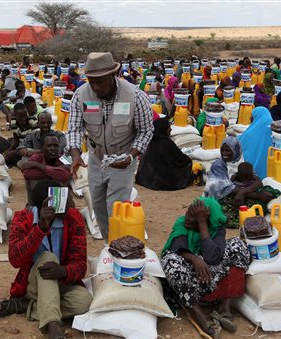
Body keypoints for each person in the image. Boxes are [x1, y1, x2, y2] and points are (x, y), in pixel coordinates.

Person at [0, 180, 91, 339]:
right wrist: (40, 228)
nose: (69, 204)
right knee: (48, 258)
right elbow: (15, 259)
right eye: (63, 200)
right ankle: (54, 331)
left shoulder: (73, 218)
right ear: (44, 205)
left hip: (60, 281)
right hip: (32, 284)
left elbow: (80, 264)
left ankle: (25, 305)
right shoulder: (22, 218)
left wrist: (63, 271)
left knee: (84, 301)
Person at [67, 52, 154, 240]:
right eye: (92, 82)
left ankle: (119, 248)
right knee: (98, 207)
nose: (96, 87)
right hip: (96, 159)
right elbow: (74, 128)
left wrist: (130, 156)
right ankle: (111, 244)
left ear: (113, 76)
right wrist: (75, 155)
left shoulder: (135, 97)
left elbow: (146, 131)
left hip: (123, 158)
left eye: (101, 82)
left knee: (115, 208)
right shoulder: (81, 95)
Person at [160, 197, 251, 339]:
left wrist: (202, 224)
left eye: (192, 216)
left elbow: (212, 258)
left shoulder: (217, 229)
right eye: (188, 213)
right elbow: (177, 247)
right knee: (170, 259)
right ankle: (202, 318)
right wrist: (195, 259)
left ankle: (225, 309)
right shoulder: (181, 223)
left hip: (213, 285)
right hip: (190, 291)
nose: (187, 218)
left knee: (238, 246)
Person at [204, 136, 279, 228]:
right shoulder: (218, 165)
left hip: (241, 194)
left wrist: (243, 192)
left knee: (268, 192)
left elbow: (258, 181)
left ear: (236, 150)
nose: (224, 153)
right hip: (220, 197)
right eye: (222, 150)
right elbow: (224, 188)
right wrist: (256, 195)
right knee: (221, 211)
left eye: (228, 150)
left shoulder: (241, 163)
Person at [136, 118, 200, 191]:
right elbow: (183, 159)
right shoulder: (167, 144)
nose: (170, 130)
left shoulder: (150, 142)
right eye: (168, 127)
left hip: (147, 179)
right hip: (164, 180)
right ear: (163, 129)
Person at [21, 134, 71, 203]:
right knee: (32, 179)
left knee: (62, 179)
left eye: (56, 146)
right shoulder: (35, 157)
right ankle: (34, 205)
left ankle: (59, 206)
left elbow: (67, 174)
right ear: (42, 148)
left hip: (58, 198)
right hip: (39, 195)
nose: (53, 148)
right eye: (49, 146)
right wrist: (57, 171)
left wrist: (37, 165)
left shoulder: (63, 158)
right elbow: (27, 173)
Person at [239, 107, 274, 179]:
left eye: (251, 117)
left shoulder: (249, 134)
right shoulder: (276, 133)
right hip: (271, 175)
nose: (250, 119)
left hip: (250, 174)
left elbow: (238, 143)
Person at [0, 103, 37, 167]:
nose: (24, 119)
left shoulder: (33, 122)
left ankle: (16, 161)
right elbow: (16, 140)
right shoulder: (14, 122)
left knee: (28, 157)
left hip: (29, 150)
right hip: (19, 149)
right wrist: (8, 151)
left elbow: (33, 144)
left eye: (25, 116)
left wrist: (14, 152)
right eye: (20, 117)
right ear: (15, 116)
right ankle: (15, 160)